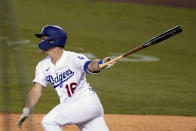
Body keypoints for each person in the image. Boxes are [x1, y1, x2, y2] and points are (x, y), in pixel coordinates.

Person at [17, 25, 115, 131]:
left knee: (49, 121)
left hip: (86, 102)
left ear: (52, 41)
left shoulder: (73, 58)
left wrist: (101, 63)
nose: (40, 41)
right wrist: (27, 109)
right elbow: (36, 90)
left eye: (43, 38)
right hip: (77, 108)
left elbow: (90, 65)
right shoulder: (42, 66)